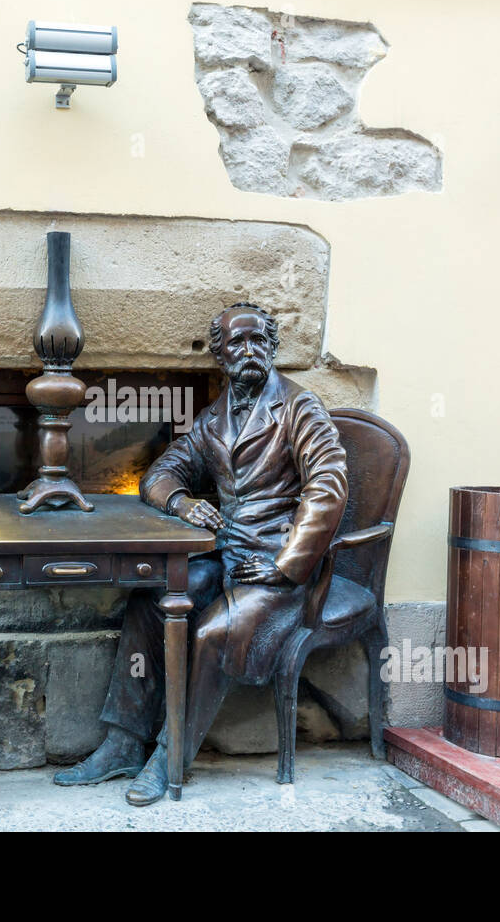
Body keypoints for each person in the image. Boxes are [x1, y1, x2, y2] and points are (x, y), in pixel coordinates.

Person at [53, 302, 349, 805]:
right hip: (226, 553)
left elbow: (329, 484)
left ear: (272, 347)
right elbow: (160, 473)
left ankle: (171, 755)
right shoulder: (212, 420)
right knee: (154, 597)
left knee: (213, 633)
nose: (249, 351)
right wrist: (181, 502)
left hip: (274, 567)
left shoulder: (300, 407)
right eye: (237, 343)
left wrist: (285, 565)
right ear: (221, 354)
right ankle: (124, 741)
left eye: (259, 341)